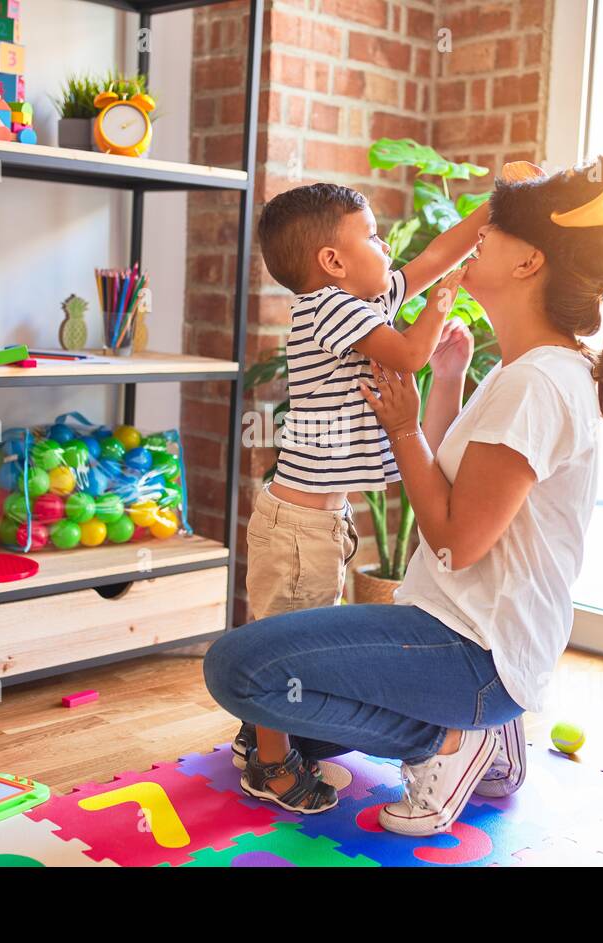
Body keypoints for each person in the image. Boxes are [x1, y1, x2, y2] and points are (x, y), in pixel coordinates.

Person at [206, 157, 603, 834]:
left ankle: (454, 740)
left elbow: (453, 538)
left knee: (240, 670)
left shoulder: (537, 383)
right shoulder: (523, 370)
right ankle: (479, 735)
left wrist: (402, 425)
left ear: (528, 265)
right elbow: (455, 479)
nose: (479, 237)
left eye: (499, 230)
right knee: (283, 713)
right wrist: (448, 385)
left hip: (471, 650)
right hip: (450, 626)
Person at [237, 178, 503, 813]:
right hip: (297, 526)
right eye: (374, 237)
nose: (387, 248)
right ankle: (269, 766)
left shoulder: (365, 299)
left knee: (297, 641)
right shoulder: (329, 309)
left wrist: (495, 209)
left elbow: (437, 253)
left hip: (320, 524)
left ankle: (261, 736)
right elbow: (410, 352)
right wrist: (443, 304)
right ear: (333, 263)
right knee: (282, 642)